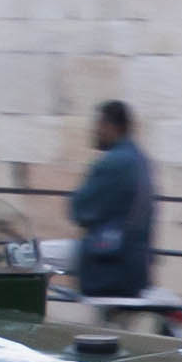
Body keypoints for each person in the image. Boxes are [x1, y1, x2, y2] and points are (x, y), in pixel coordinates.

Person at [69, 100, 156, 301]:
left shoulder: (113, 162)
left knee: (43, 255)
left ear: (111, 126)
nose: (95, 131)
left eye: (98, 125)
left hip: (109, 267)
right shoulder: (139, 158)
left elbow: (79, 210)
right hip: (135, 264)